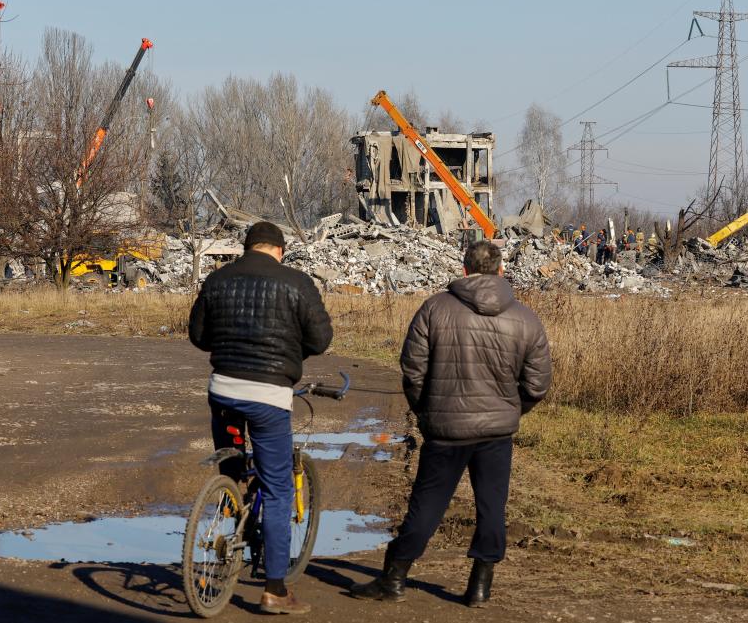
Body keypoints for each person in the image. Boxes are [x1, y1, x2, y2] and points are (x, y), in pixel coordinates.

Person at [350, 241, 552, 608]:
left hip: (445, 429)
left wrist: (426, 412)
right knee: (492, 507)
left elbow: (413, 370)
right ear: (502, 270)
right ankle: (479, 587)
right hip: (497, 433)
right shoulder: (525, 319)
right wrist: (510, 410)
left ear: (464, 270)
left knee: (426, 506)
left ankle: (394, 579)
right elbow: (537, 384)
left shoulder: (434, 309)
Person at [188, 221, 333, 615]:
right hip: (269, 396)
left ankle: (228, 506)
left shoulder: (218, 280)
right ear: (280, 250)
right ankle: (274, 590)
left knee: (233, 463)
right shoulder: (297, 283)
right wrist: (291, 349)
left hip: (223, 392)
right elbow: (321, 340)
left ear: (245, 247)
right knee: (278, 489)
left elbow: (198, 336)